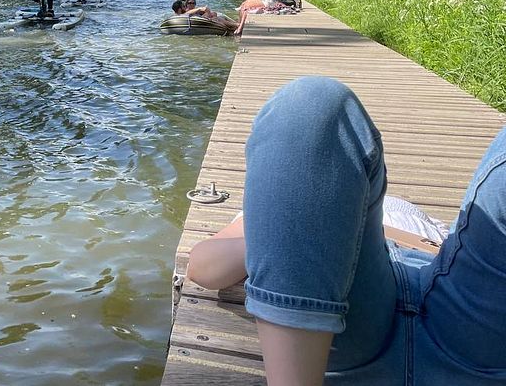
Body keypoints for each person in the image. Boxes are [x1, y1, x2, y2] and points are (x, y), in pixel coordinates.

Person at [186, 77, 506, 385]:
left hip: (457, 303)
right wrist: (289, 240)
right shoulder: (289, 201)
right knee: (311, 104)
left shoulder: (401, 209)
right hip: (351, 315)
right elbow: (201, 266)